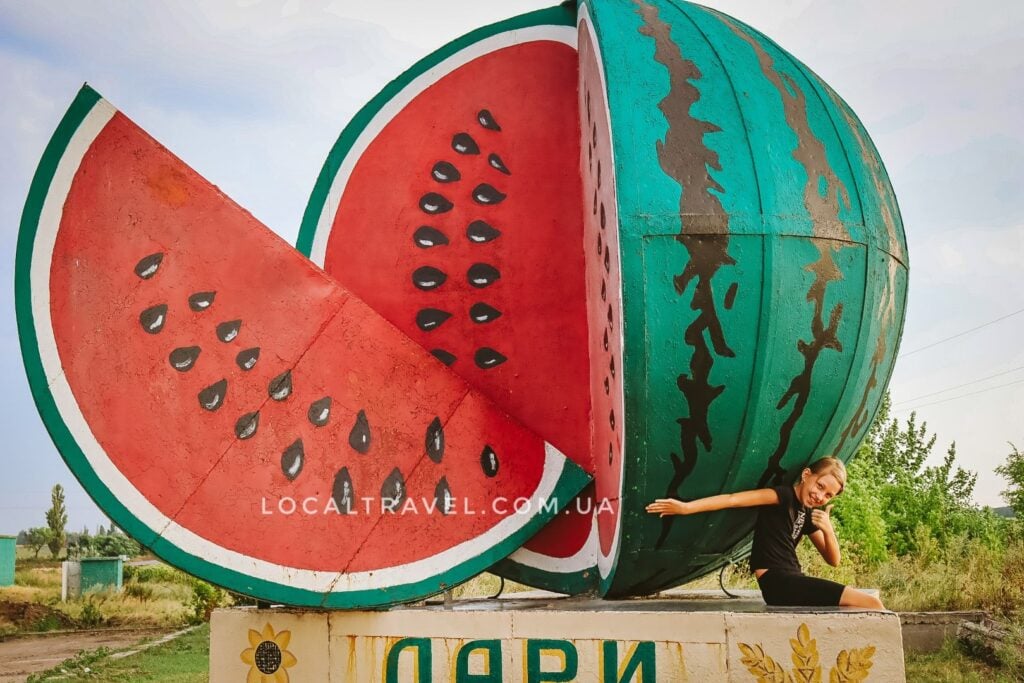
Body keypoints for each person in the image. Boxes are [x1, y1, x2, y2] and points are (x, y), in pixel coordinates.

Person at [645, 457, 885, 610]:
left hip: (791, 580)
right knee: (871, 603)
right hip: (777, 581)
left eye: (828, 495)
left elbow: (834, 560)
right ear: (806, 475)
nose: (820, 496)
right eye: (820, 486)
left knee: (864, 605)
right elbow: (733, 500)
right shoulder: (782, 497)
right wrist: (685, 507)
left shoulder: (808, 513)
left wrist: (828, 529)